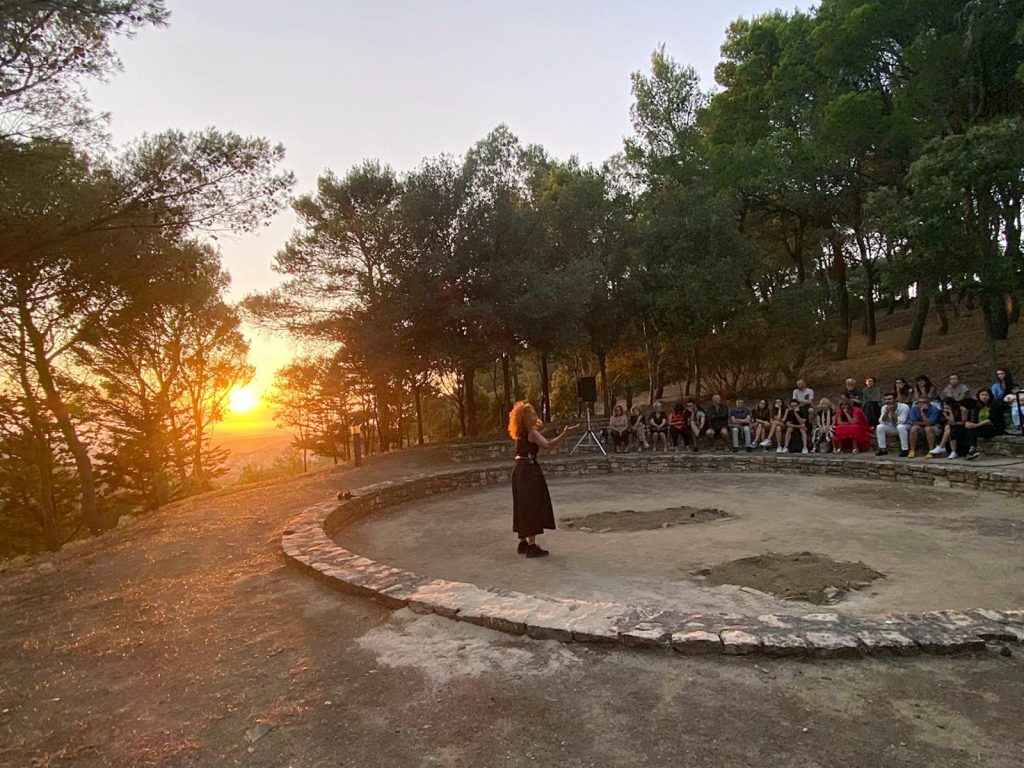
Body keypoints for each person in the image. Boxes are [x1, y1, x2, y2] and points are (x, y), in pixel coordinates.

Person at [508, 402, 577, 558]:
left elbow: (534, 441)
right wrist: (565, 434)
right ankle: (532, 547)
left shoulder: (520, 432)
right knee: (532, 505)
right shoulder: (531, 432)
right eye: (532, 414)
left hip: (519, 469)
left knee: (522, 505)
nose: (535, 416)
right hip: (529, 471)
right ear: (525, 417)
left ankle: (523, 542)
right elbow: (548, 445)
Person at [965, 388, 1007, 460]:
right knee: (968, 429)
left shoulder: (995, 405)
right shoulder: (977, 406)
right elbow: (973, 418)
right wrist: (968, 423)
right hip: (981, 426)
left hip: (994, 427)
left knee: (973, 429)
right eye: (982, 395)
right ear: (979, 396)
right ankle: (967, 450)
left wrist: (975, 425)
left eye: (986, 395)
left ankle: (972, 450)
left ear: (990, 396)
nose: (984, 397)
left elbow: (991, 420)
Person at [875, 392, 911, 457]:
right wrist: (887, 412)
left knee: (900, 426)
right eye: (885, 399)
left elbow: (901, 421)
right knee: (879, 427)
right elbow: (882, 421)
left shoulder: (904, 407)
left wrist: (892, 412)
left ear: (895, 399)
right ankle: (883, 449)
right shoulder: (884, 408)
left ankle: (905, 450)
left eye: (889, 399)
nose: (887, 401)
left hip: (906, 426)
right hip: (893, 427)